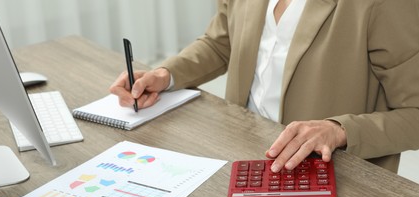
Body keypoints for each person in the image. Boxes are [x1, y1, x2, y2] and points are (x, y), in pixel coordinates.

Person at [109, 0, 419, 173]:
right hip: (242, 156)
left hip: (328, 175)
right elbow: (221, 42)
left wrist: (338, 130)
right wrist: (166, 74)